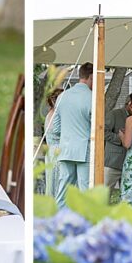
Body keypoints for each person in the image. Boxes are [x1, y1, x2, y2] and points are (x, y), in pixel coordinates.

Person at [49, 63, 93, 207]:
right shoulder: (93, 97)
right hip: (84, 150)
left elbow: (55, 128)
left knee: (62, 193)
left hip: (65, 149)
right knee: (85, 192)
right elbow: (97, 128)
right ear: (91, 77)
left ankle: (57, 225)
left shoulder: (62, 96)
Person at [42, 88, 63, 200]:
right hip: (57, 152)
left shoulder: (49, 113)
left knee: (51, 182)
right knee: (57, 182)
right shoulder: (57, 116)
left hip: (50, 152)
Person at [104, 100, 128, 194]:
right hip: (112, 162)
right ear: (131, 102)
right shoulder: (114, 114)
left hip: (128, 163)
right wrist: (120, 139)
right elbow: (103, 131)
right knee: (104, 194)